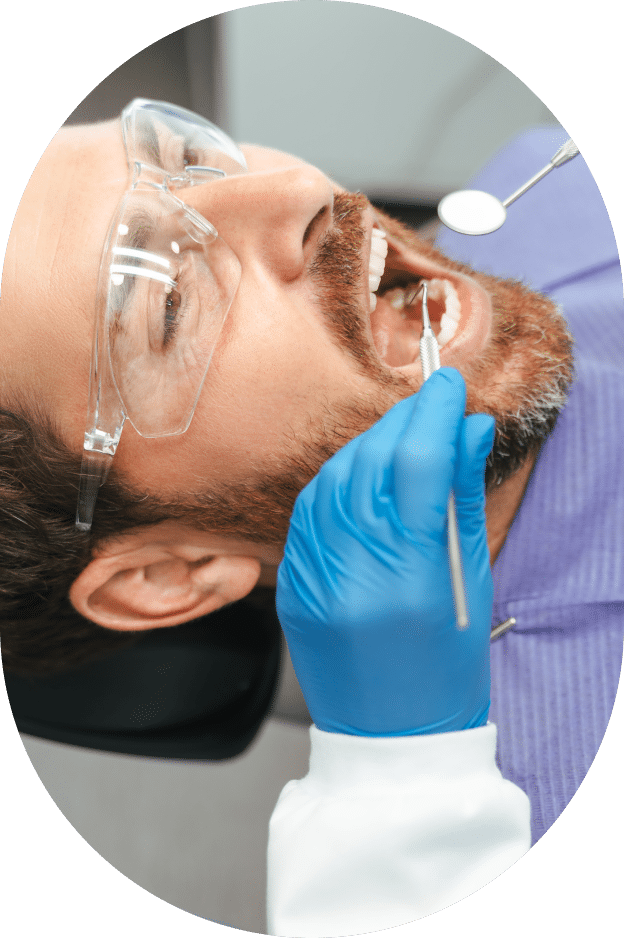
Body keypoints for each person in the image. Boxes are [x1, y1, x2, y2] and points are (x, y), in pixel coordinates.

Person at [0, 101, 620, 931]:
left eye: (193, 153)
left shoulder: (546, 181)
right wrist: (403, 783)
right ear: (165, 574)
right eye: (167, 304)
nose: (295, 187)